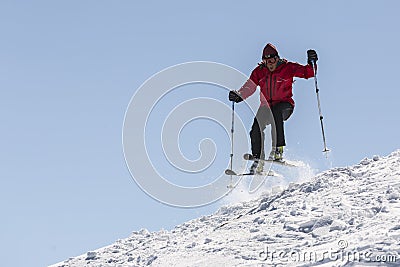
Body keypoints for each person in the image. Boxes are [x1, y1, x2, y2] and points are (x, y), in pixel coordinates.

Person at [228, 43, 318, 174]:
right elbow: (250, 86)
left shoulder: (287, 68)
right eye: (266, 61)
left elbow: (307, 73)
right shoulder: (259, 72)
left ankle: (278, 149)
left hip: (285, 105)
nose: (269, 64)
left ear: (277, 59)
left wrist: (312, 62)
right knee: (255, 129)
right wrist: (239, 95)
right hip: (266, 107)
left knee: (276, 112)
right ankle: (258, 161)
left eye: (272, 61)